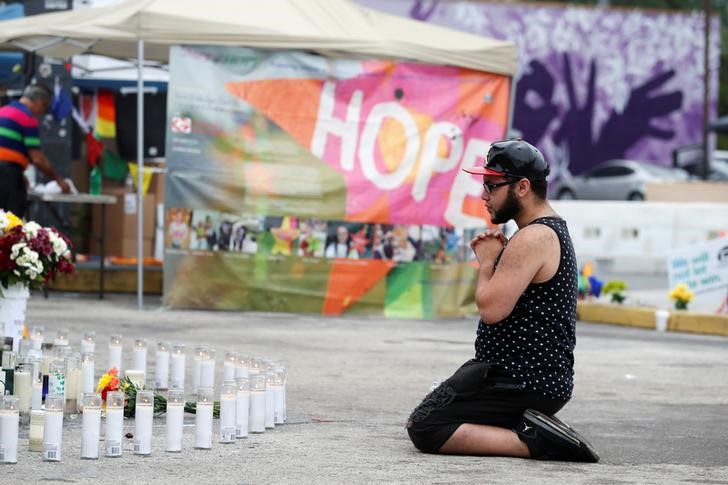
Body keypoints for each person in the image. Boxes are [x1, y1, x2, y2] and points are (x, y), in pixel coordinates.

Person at [405, 139, 599, 462]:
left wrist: (486, 263)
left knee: (426, 424)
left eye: (492, 186)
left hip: (520, 380)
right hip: (529, 378)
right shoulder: (544, 231)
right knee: (436, 408)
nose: (484, 195)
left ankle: (536, 442)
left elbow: (491, 309)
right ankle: (532, 428)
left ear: (522, 187)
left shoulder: (534, 237)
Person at [0, 84, 71, 216]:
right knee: (10, 225)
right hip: (7, 176)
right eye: (44, 109)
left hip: (9, 172)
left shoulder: (2, 111)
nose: (40, 113)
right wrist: (59, 180)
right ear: (39, 102)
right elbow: (38, 159)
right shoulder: (27, 118)